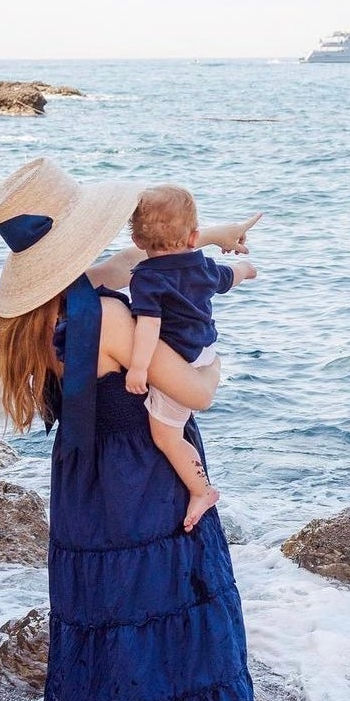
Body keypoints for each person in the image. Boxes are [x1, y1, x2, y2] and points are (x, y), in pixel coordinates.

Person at [0, 156, 260, 701]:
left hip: (83, 492)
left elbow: (132, 258)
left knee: (88, 640)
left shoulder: (34, 320)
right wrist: (216, 363)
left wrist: (212, 235)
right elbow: (194, 395)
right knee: (172, 637)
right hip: (147, 488)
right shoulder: (111, 314)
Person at [125, 186, 258, 532]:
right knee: (175, 426)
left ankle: (201, 490)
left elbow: (149, 327)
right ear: (195, 236)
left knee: (166, 436)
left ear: (138, 242)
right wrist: (246, 268)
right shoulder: (203, 265)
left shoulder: (146, 278)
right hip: (205, 349)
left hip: (181, 362)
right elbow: (231, 277)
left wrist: (139, 368)